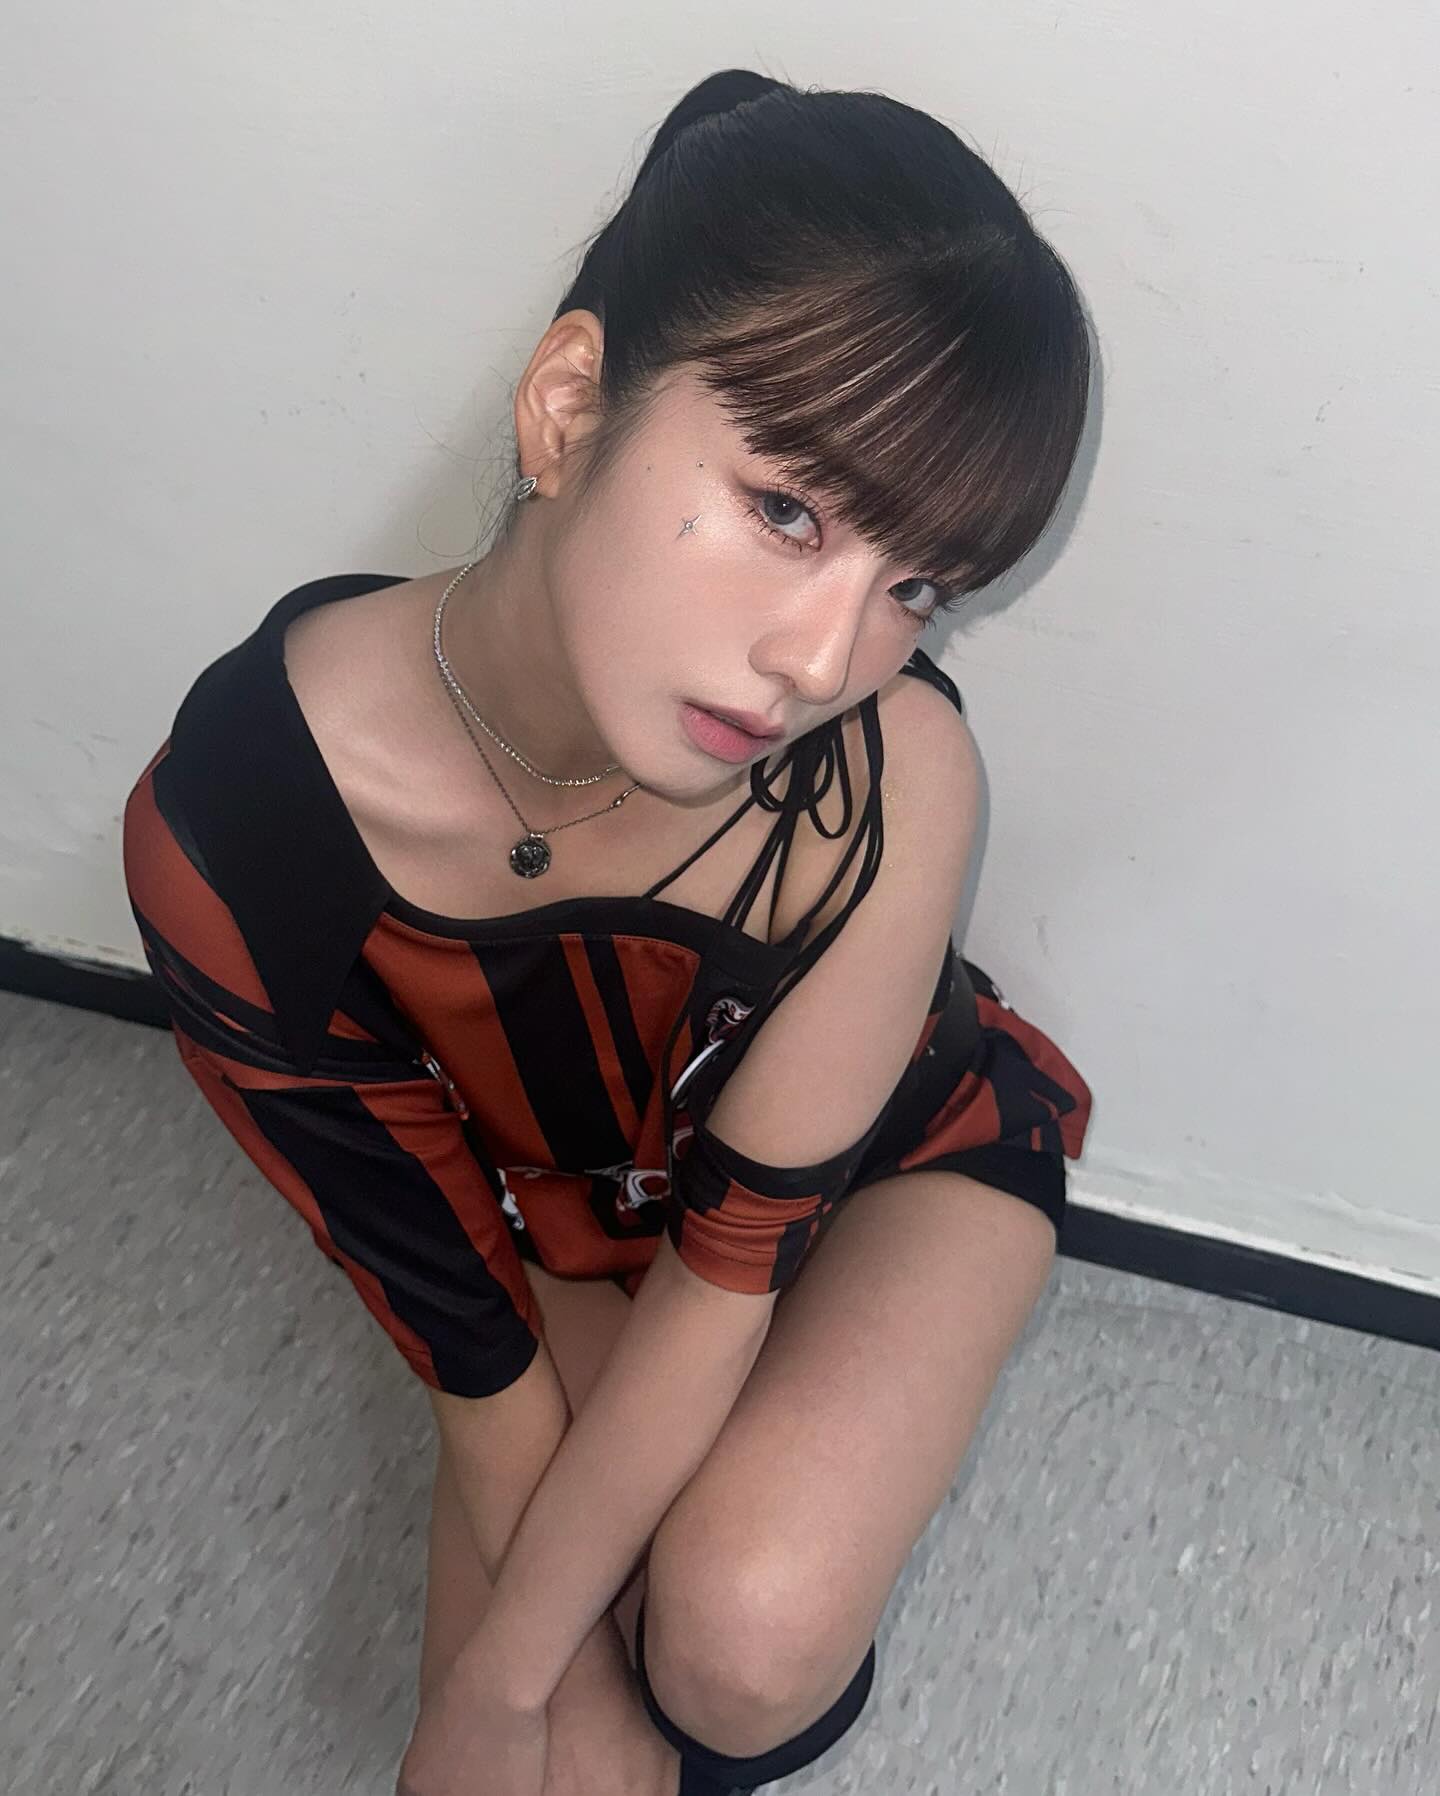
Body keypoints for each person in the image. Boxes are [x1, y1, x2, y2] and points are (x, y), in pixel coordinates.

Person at [121, 67, 1095, 1796]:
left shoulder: (894, 778)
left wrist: (511, 1673)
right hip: (572, 1214)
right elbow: (465, 1340)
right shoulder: (245, 835)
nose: (824, 661)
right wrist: (512, 1694)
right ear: (570, 407)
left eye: (917, 586)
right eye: (787, 511)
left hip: (891, 1159)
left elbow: (727, 1280)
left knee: (740, 1640)